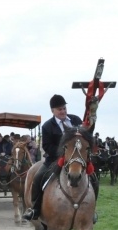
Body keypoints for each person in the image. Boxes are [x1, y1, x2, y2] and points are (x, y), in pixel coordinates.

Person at [23, 94, 99, 222]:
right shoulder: (47, 126)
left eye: (64, 108)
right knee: (38, 178)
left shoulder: (76, 120)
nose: (63, 111)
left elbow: (86, 133)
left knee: (94, 179)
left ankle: (92, 211)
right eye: (59, 109)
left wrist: (93, 112)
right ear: (52, 111)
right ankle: (35, 209)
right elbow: (47, 146)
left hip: (76, 160)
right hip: (53, 160)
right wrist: (64, 153)